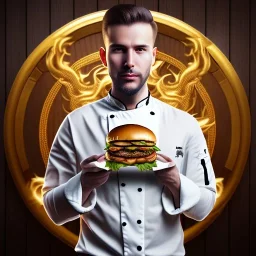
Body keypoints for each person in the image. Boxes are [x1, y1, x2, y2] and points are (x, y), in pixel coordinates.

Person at [42, 4, 216, 256]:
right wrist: (84, 183)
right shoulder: (75, 122)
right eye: (119, 49)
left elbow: (204, 208)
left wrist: (176, 182)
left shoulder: (185, 123)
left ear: (154, 56)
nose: (129, 62)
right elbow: (53, 211)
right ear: (104, 57)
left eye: (140, 49)